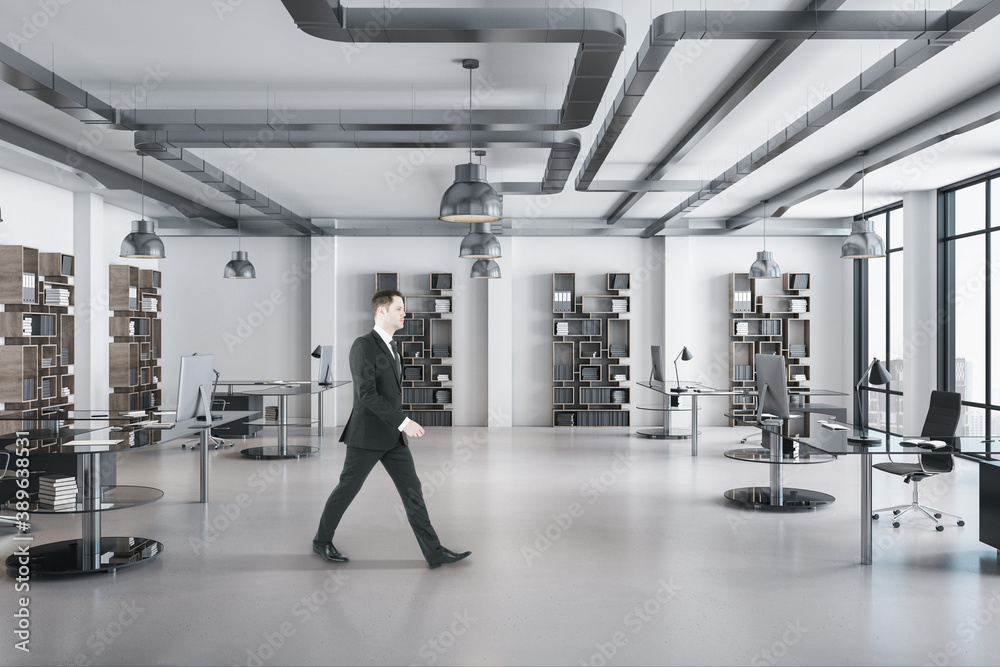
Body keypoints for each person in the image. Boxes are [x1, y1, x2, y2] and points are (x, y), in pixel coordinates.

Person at [312, 289, 471, 569]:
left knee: (413, 492)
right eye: (399, 308)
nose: (404, 313)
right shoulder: (363, 345)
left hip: (393, 438)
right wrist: (404, 421)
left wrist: (399, 425)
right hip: (367, 436)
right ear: (381, 311)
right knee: (348, 488)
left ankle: (434, 552)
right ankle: (321, 541)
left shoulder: (392, 346)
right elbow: (366, 394)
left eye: (403, 308)